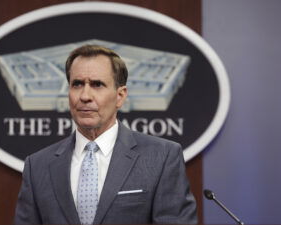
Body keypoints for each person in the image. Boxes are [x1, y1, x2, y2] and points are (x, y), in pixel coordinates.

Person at [14, 45, 197, 224]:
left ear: (120, 96)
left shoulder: (161, 157)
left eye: (97, 84)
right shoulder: (37, 166)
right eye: (77, 84)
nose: (85, 95)